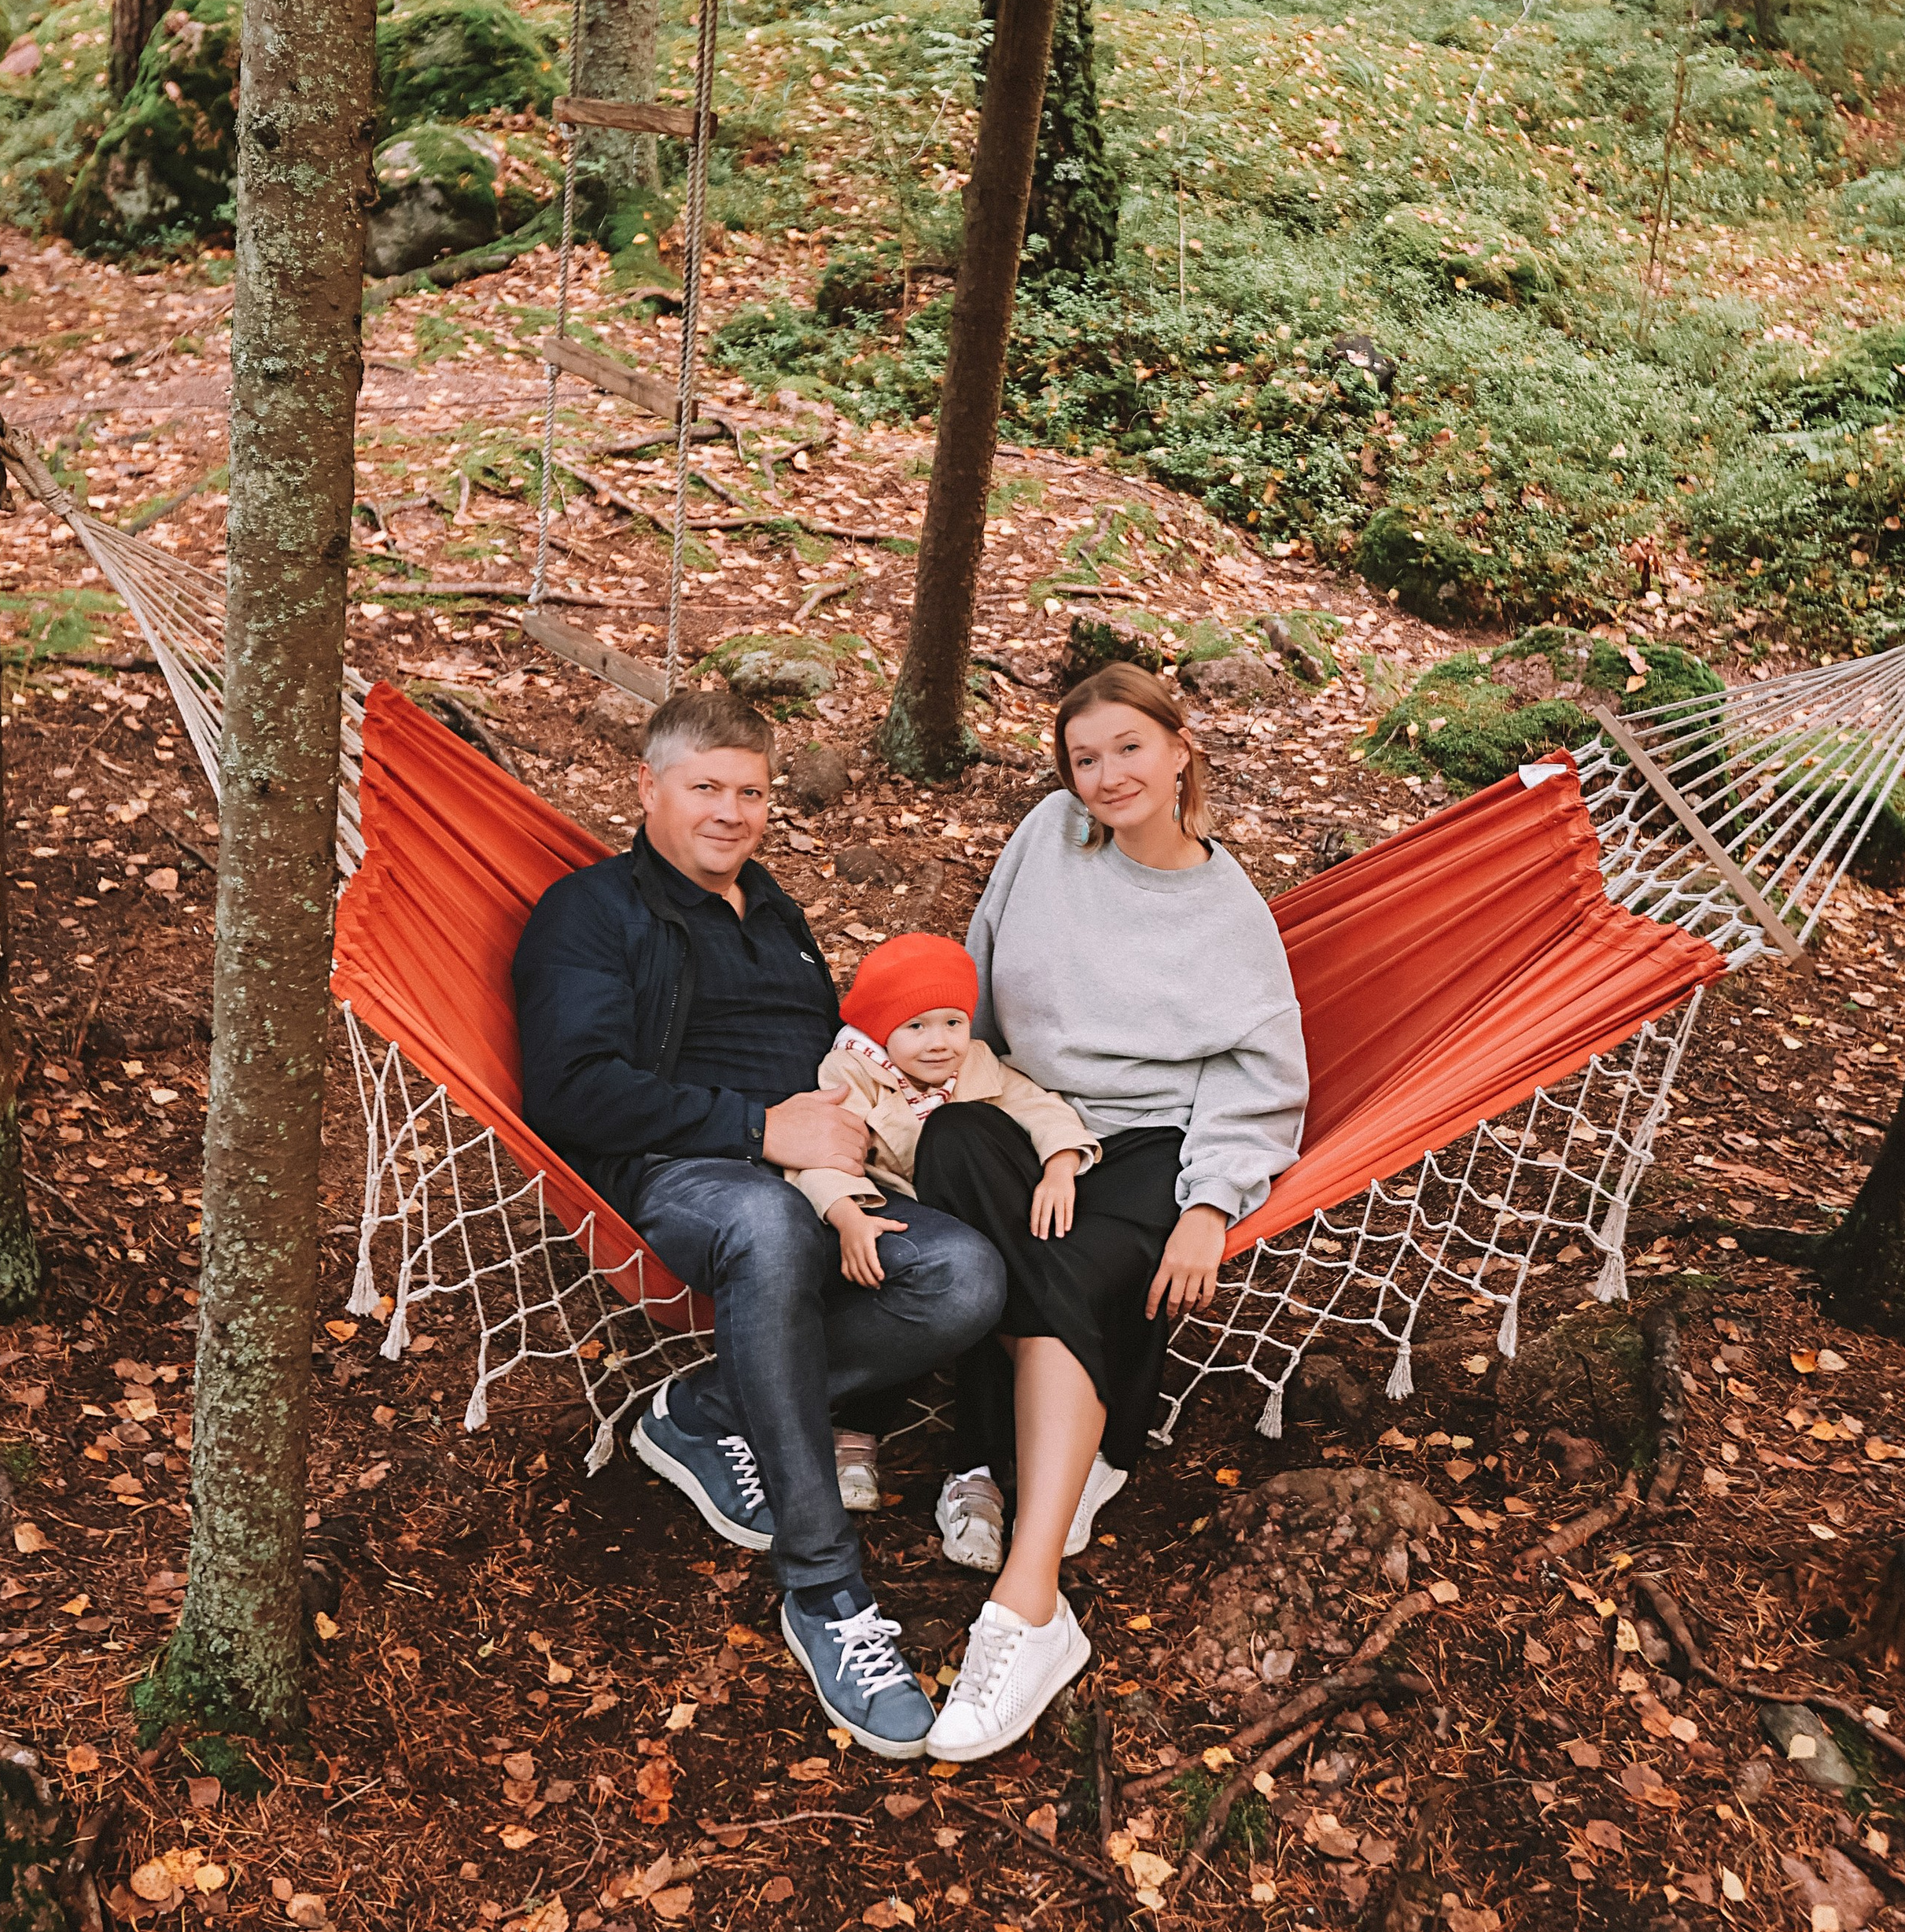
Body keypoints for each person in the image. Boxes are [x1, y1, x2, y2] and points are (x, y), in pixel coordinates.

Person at [510, 689, 1005, 1761]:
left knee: (965, 1275)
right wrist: (758, 1128)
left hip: (820, 1174)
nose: (732, 812)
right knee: (771, 1228)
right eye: (707, 788)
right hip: (683, 1175)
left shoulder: (774, 912)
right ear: (648, 788)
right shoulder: (590, 912)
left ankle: (709, 1407)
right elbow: (567, 1088)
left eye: (752, 792)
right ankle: (825, 1593)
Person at [914, 662, 1310, 1764]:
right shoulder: (1046, 837)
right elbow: (980, 978)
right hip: (1028, 1111)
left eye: (1129, 747)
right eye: (1084, 758)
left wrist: (1209, 1206)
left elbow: (1260, 1076)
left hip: (1151, 1144)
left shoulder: (1228, 914)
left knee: (1068, 1272)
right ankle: (1089, 1444)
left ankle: (1028, 1600)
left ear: (1180, 749)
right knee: (950, 1146)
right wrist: (933, 1082)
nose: (1106, 775)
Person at [786, 934, 1098, 1505]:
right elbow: (824, 1154)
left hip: (967, 1209)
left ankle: (984, 1455)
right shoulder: (852, 1071)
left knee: (994, 1278)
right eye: (916, 1026)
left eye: (953, 1022)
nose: (939, 1042)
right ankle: (857, 1424)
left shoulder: (976, 1063)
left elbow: (1040, 1107)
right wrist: (848, 1215)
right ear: (884, 1030)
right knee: (892, 1279)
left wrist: (1060, 1166)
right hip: (886, 1204)